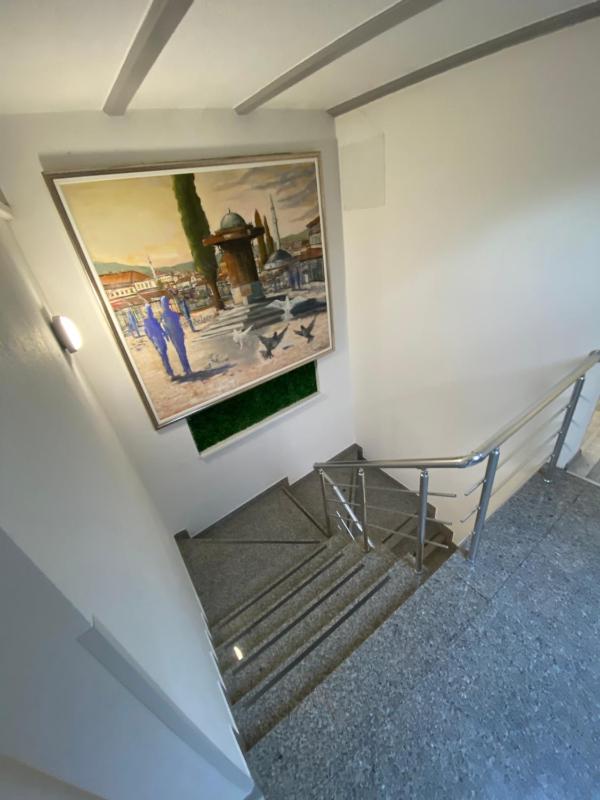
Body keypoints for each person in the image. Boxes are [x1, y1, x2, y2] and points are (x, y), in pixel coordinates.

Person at [160, 295, 192, 376]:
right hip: (177, 334)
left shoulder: (165, 315)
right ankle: (187, 368)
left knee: (181, 351)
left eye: (164, 303)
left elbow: (165, 326)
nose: (164, 305)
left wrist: (167, 334)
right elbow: (174, 323)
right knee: (182, 351)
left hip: (175, 335)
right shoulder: (172, 314)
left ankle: (186, 368)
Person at [143, 303, 174, 378]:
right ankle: (169, 373)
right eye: (149, 310)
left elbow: (159, 327)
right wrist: (153, 342)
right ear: (146, 312)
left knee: (164, 354)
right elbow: (148, 333)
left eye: (150, 310)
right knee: (163, 355)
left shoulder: (154, 319)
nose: (151, 312)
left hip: (161, 338)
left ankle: (169, 371)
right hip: (156, 340)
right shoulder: (146, 321)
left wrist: (164, 334)